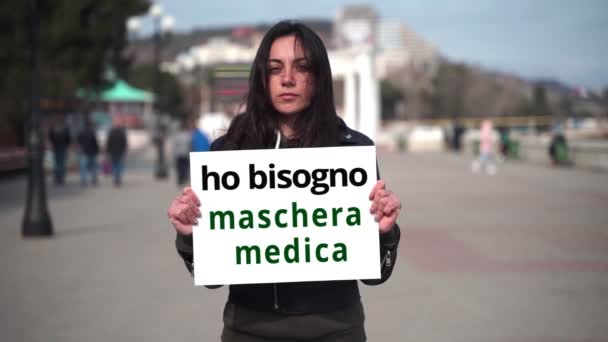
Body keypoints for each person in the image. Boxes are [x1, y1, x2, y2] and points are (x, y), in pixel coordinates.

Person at [167, 21, 402, 341]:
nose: (287, 79)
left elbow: (376, 275)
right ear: (262, 78)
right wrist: (190, 235)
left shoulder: (352, 151)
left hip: (336, 329)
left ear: (318, 77)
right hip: (249, 329)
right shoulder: (227, 152)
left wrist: (385, 232)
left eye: (301, 67)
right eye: (275, 68)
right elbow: (211, 278)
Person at [48, 117, 71, 185]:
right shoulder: (65, 129)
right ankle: (61, 178)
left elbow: (50, 137)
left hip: (55, 147)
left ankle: (56, 178)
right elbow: (68, 138)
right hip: (63, 147)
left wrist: (53, 143)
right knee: (62, 163)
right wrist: (67, 145)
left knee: (56, 163)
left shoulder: (53, 129)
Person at [76, 119, 100, 186]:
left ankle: (83, 180)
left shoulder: (81, 132)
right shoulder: (92, 132)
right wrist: (97, 150)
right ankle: (94, 179)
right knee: (94, 167)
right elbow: (95, 143)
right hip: (92, 151)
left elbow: (78, 141)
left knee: (84, 167)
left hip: (84, 151)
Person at [106, 117, 128, 186]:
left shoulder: (111, 133)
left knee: (114, 165)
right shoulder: (121, 133)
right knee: (119, 165)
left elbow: (108, 143)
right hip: (119, 151)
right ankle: (117, 177)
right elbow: (124, 143)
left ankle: (116, 177)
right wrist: (124, 150)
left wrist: (107, 151)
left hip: (113, 151)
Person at [172, 119, 193, 186]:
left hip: (179, 154)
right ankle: (184, 178)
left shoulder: (177, 136)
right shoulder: (188, 136)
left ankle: (180, 179)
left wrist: (174, 154)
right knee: (185, 167)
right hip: (186, 154)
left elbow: (175, 146)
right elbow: (190, 145)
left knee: (179, 167)